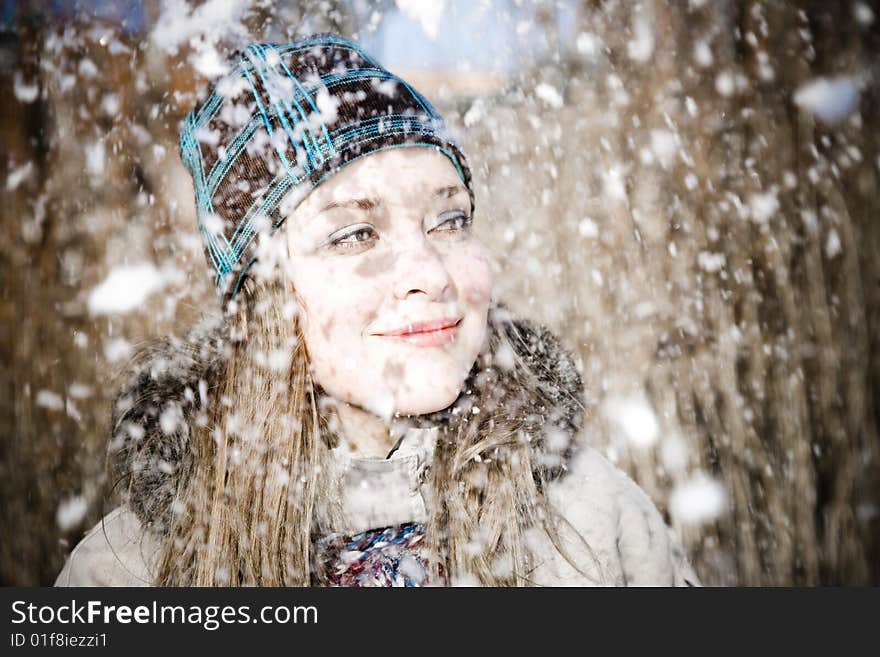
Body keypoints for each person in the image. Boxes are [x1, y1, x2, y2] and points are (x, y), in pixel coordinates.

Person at [54, 34, 699, 587]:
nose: (428, 273)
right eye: (356, 234)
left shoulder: (588, 520)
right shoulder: (137, 571)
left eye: (449, 221)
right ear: (260, 304)